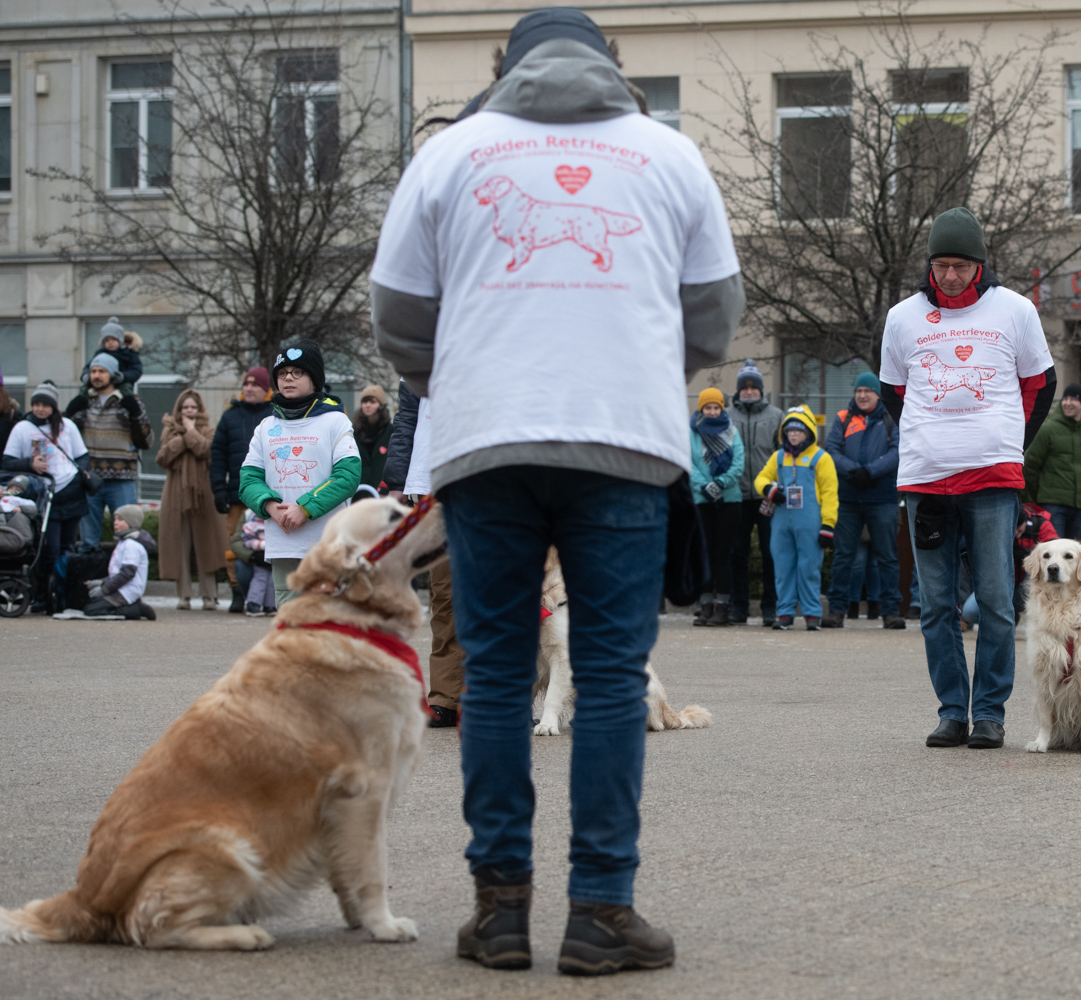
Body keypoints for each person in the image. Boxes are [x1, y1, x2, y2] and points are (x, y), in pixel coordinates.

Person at [369, 6, 743, 974]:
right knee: (612, 675)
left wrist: (456, 381)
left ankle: (498, 913)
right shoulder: (670, 153)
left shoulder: (450, 155)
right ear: (612, 64)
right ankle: (601, 913)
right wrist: (643, 371)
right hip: (621, 442)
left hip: (486, 441)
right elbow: (714, 314)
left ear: (505, 66)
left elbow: (397, 312)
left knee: (495, 673)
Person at [878, 206, 1056, 750]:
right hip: (925, 481)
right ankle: (952, 712)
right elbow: (894, 392)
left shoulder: (1016, 310)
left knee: (996, 600)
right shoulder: (902, 317)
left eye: (960, 266)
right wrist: (928, 436)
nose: (950, 275)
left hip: (992, 478)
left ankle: (990, 715)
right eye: (941, 266)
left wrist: (1010, 443)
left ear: (980, 264)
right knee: (936, 605)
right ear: (929, 265)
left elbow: (1040, 384)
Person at [239, 340, 361, 608]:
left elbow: (348, 476)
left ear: (314, 378)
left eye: (298, 372)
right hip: (283, 544)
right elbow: (248, 479)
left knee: (328, 620)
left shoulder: (336, 421)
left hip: (328, 544)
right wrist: (269, 506)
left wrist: (305, 508)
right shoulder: (266, 426)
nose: (288, 378)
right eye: (282, 373)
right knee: (290, 623)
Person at [384, 380, 459, 727]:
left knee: (502, 592)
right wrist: (397, 480)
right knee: (445, 596)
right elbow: (407, 421)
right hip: (434, 486)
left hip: (495, 481)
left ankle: (504, 695)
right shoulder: (421, 354)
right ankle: (446, 697)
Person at [2, 382, 91, 611]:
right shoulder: (23, 428)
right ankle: (44, 594)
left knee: (67, 547)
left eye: (45, 405)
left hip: (70, 490)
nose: (41, 409)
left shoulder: (67, 426)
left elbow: (82, 456)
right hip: (45, 494)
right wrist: (29, 464)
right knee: (49, 549)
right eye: (37, 404)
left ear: (54, 407)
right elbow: (8, 461)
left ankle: (64, 594)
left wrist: (79, 475)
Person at [825, 371, 903, 629]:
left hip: (882, 497)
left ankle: (891, 612)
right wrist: (853, 471)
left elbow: (897, 452)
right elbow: (831, 450)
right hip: (848, 497)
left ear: (877, 394)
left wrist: (870, 472)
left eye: (867, 391)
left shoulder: (891, 417)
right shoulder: (842, 418)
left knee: (887, 556)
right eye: (859, 391)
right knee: (843, 556)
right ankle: (836, 610)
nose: (862, 395)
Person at [752, 407, 838, 631]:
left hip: (810, 522)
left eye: (798, 431)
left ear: (808, 432)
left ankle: (812, 614)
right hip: (782, 521)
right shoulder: (778, 457)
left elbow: (830, 494)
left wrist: (828, 525)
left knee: (809, 568)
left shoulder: (821, 458)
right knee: (783, 568)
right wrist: (769, 489)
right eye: (789, 430)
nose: (793, 434)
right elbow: (760, 479)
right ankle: (785, 613)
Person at [65, 352, 152, 552]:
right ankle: (87, 571)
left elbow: (146, 441)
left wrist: (136, 415)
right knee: (88, 541)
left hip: (121, 478)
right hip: (90, 479)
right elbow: (65, 438)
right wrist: (69, 414)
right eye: (93, 371)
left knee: (128, 535)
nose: (96, 375)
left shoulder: (128, 401)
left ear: (113, 374)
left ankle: (127, 571)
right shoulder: (84, 402)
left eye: (102, 371)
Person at [211, 367, 274, 613]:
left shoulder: (275, 414)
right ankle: (237, 590)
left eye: (255, 385)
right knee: (234, 542)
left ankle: (272, 593)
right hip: (237, 493)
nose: (249, 389)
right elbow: (217, 454)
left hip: (270, 494)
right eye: (246, 384)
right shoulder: (230, 416)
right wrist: (218, 488)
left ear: (266, 389)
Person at [156, 389, 225, 610]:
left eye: (193, 407)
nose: (189, 411)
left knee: (207, 543)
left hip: (203, 493)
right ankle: (183, 596)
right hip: (175, 493)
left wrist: (190, 432)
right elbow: (162, 458)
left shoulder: (210, 431)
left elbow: (206, 451)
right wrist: (186, 437)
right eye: (185, 407)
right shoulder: (169, 431)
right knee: (179, 544)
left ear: (200, 409)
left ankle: (209, 596)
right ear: (179, 409)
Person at [727, 360, 782, 626]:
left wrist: (778, 486)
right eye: (744, 388)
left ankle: (770, 607)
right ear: (739, 391)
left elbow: (783, 454)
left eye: (753, 387)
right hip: (736, 495)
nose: (749, 391)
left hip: (766, 497)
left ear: (761, 390)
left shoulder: (776, 416)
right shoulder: (726, 417)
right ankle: (738, 607)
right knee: (737, 553)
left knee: (771, 553)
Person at [689, 387, 744, 627]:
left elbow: (738, 464)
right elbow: (688, 463)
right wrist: (704, 486)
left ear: (722, 408)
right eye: (708, 408)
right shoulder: (691, 433)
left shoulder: (731, 431)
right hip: (702, 501)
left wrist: (720, 483)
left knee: (722, 555)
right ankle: (705, 606)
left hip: (729, 501)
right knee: (704, 554)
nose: (712, 412)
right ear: (701, 409)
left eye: (716, 407)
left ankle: (722, 607)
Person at [1023, 382, 1081, 542]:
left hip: (1079, 507)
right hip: (1052, 504)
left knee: (1073, 552)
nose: (1068, 403)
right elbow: (1030, 466)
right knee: (1054, 549)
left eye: (1074, 399)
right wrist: (1040, 496)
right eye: (1065, 399)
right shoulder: (1047, 430)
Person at [82, 504, 156, 620]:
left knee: (92, 610)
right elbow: (116, 573)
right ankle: (133, 604)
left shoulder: (132, 545)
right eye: (115, 519)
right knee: (91, 602)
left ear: (132, 522)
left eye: (120, 520)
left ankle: (136, 609)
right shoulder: (124, 542)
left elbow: (127, 573)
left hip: (126, 590)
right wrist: (101, 582)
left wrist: (105, 589)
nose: (115, 523)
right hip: (120, 588)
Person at [78, 317, 144, 390]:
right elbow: (89, 367)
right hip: (100, 386)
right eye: (107, 340)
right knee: (84, 390)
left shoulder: (129, 354)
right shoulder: (100, 354)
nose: (110, 342)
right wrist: (86, 376)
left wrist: (123, 377)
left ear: (120, 340)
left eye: (114, 339)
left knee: (126, 391)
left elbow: (136, 371)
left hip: (122, 385)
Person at [353, 384, 393, 499]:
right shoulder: (353, 431)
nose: (368, 405)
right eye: (365, 402)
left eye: (372, 402)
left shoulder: (390, 431)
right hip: (357, 492)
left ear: (380, 405)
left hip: (382, 492)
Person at [239, 509, 275, 617]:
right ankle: (253, 603)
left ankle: (271, 605)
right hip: (260, 556)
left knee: (273, 580)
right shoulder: (252, 525)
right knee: (260, 578)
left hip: (274, 556)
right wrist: (262, 546)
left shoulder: (276, 524)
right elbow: (247, 541)